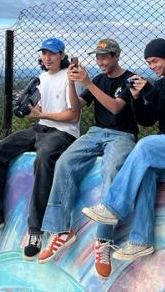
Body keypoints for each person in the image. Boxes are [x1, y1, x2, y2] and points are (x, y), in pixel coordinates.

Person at [82, 38, 165, 263]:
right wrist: (136, 98)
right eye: (149, 63)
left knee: (145, 144)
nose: (152, 66)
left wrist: (150, 92)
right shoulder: (160, 86)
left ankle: (114, 207)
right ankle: (141, 241)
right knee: (147, 172)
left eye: (155, 61)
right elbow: (147, 120)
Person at [0, 38, 80, 260]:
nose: (47, 57)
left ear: (62, 56)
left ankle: (36, 231)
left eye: (52, 53)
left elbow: (72, 115)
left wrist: (41, 114)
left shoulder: (70, 78)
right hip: (40, 127)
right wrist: (31, 110)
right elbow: (41, 111)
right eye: (44, 53)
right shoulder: (42, 79)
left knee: (44, 159)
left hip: (63, 132)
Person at [38, 39, 137, 278]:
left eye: (105, 57)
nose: (100, 62)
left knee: (111, 171)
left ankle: (103, 241)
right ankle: (62, 230)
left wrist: (88, 82)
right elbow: (76, 107)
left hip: (122, 135)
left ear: (116, 56)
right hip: (95, 133)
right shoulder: (98, 80)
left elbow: (115, 107)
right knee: (64, 163)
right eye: (97, 58)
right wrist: (73, 83)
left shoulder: (130, 79)